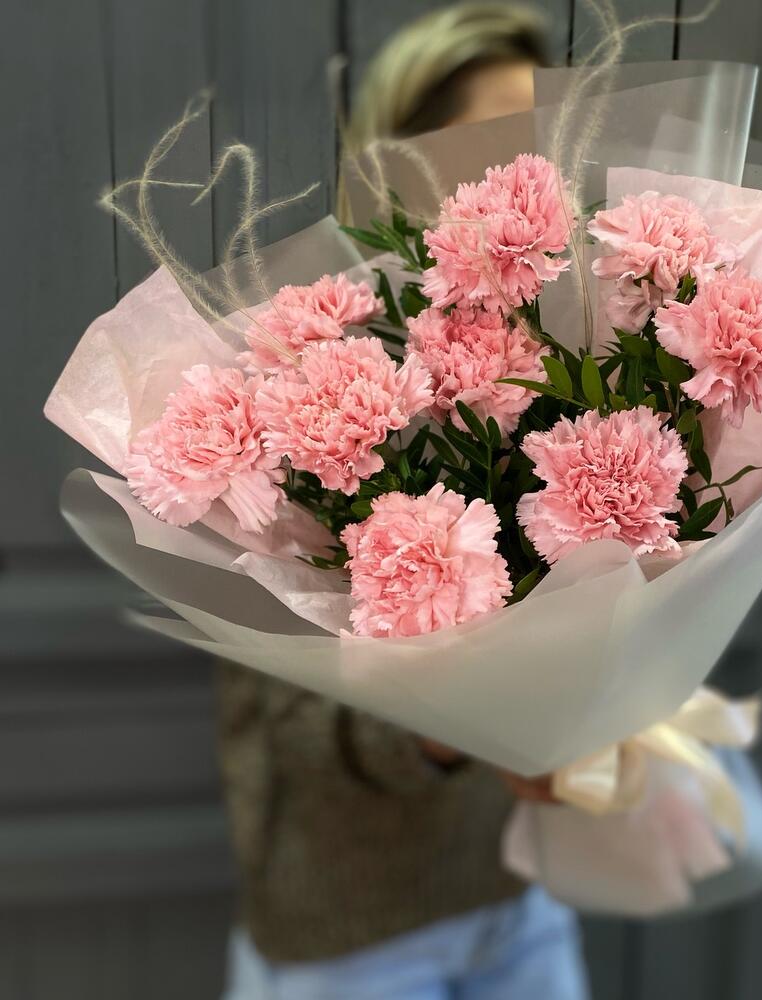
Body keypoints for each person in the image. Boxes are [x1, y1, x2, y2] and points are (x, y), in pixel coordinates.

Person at [219, 6, 590, 999]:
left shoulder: (571, 346)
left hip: (519, 889)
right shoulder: (301, 366)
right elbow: (285, 721)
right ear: (403, 157)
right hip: (355, 925)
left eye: (546, 143)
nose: (528, 176)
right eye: (497, 142)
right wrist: (450, 722)